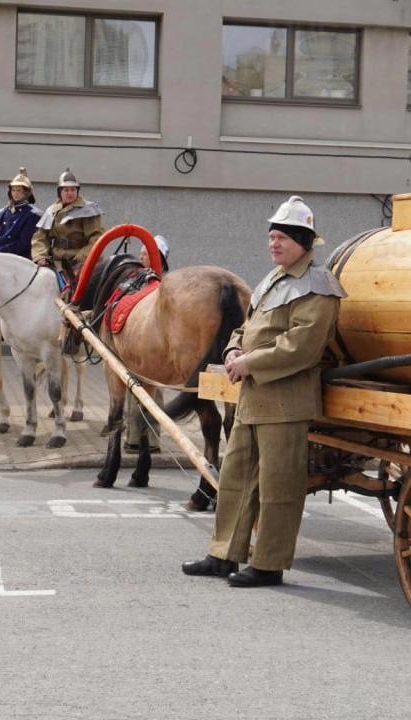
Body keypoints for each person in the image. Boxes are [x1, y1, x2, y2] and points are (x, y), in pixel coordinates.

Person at [182, 196, 346, 587]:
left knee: (278, 487)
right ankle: (224, 554)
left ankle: (269, 564)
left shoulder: (319, 286)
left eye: (281, 238)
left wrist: (249, 363)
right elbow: (246, 327)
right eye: (271, 237)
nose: (273, 244)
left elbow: (302, 346)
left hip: (286, 400)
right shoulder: (273, 279)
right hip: (253, 397)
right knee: (236, 477)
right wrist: (234, 348)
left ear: (303, 241)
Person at [123, 234, 170, 455]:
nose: (141, 256)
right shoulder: (136, 279)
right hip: (134, 344)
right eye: (140, 252)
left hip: (154, 347)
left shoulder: (164, 284)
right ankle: (133, 438)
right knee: (132, 389)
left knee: (152, 392)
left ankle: (152, 440)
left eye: (145, 253)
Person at [30, 168, 104, 279]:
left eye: (73, 190)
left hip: (80, 261)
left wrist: (83, 255)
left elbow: (97, 238)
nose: (70, 193)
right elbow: (40, 237)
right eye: (66, 190)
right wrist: (40, 255)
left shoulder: (88, 210)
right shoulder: (51, 211)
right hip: (56, 261)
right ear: (60, 192)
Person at [0, 167, 42, 258]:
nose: (15, 193)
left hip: (20, 259)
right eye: (13, 190)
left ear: (26, 192)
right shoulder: (2, 212)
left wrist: (0, 252)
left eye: (19, 190)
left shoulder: (33, 214)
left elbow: (24, 243)